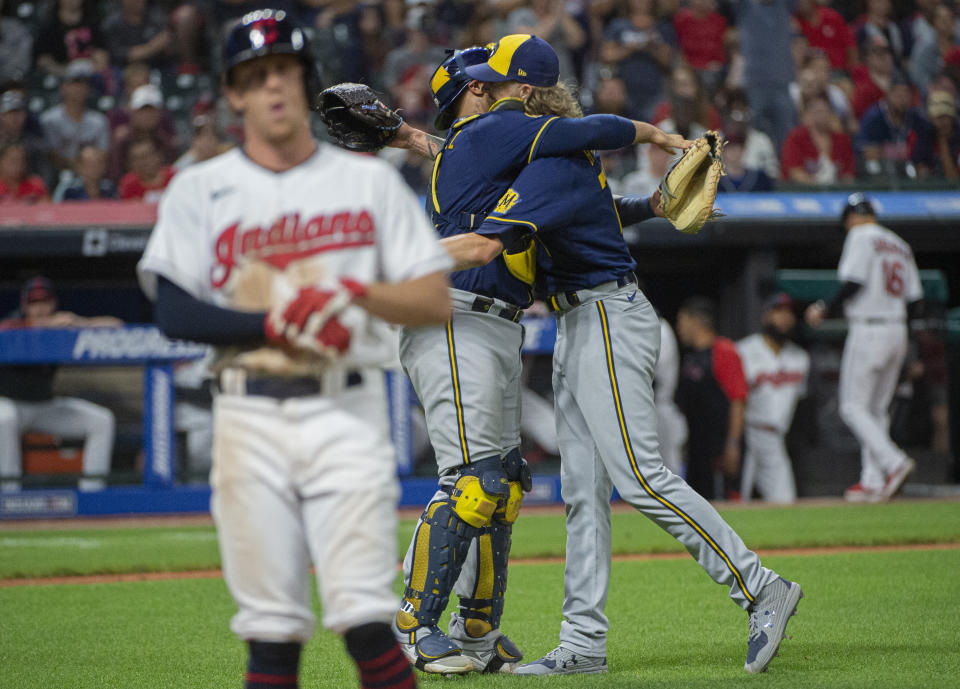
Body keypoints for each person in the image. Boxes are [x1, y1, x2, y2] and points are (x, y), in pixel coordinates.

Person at [137, 10, 453, 689]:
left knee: (366, 621)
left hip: (346, 411)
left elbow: (433, 300)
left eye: (283, 70)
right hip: (247, 415)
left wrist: (351, 291)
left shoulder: (366, 182)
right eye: (254, 77)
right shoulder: (200, 188)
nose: (272, 86)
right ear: (233, 95)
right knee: (271, 631)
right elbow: (172, 308)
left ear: (306, 82)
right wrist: (275, 322)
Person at [441, 99, 803, 676]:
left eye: (510, 113)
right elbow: (600, 207)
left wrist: (385, 258)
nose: (498, 127)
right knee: (582, 491)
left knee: (639, 475)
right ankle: (583, 643)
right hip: (580, 320)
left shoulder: (553, 162)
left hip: (605, 314)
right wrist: (654, 204)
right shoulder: (553, 163)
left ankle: (762, 589)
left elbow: (486, 240)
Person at [384, 35, 690, 675]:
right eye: (485, 85)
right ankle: (412, 626)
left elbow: (582, 201)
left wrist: (653, 203)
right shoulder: (498, 135)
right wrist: (658, 135)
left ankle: (475, 633)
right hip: (455, 312)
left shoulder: (487, 147)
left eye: (491, 83)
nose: (490, 94)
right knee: (471, 481)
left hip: (493, 322)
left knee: (502, 484)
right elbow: (593, 130)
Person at [805, 193, 922, 502]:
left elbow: (853, 282)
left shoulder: (860, 235)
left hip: (869, 327)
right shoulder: (899, 243)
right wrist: (909, 343)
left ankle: (893, 462)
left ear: (850, 217)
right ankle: (872, 480)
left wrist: (823, 308)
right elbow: (916, 301)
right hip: (897, 328)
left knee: (852, 406)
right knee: (876, 410)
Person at [0, 277, 120, 493]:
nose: (40, 308)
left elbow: (116, 326)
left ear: (53, 304)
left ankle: (92, 492)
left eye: (44, 302)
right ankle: (10, 495)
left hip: (44, 406)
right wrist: (42, 325)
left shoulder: (61, 327)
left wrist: (79, 322)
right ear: (24, 305)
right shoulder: (14, 325)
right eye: (34, 303)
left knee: (101, 421)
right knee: (4, 419)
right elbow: (6, 329)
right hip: (9, 404)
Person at [736, 293, 810, 503]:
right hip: (747, 434)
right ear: (766, 316)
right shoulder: (744, 350)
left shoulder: (801, 358)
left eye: (789, 313)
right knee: (737, 501)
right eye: (778, 312)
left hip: (776, 436)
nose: (785, 318)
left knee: (785, 500)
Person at [676, 296, 748, 502]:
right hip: (697, 446)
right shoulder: (690, 356)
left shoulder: (724, 351)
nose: (679, 327)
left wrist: (733, 444)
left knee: (721, 504)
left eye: (682, 320)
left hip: (719, 447)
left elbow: (738, 400)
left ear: (695, 321)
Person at [39, 59, 110, 177]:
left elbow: (103, 152)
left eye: (83, 84)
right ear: (63, 87)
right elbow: (52, 155)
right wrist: (79, 167)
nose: (79, 88)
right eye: (74, 83)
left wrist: (87, 168)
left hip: (93, 175)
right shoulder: (49, 119)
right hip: (58, 175)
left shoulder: (99, 121)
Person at [780, 92, 856, 184]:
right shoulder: (796, 138)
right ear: (808, 114)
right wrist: (819, 185)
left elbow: (848, 174)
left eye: (825, 111)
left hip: (836, 194)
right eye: (818, 112)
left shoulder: (842, 140)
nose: (822, 116)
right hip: (804, 193)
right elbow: (795, 173)